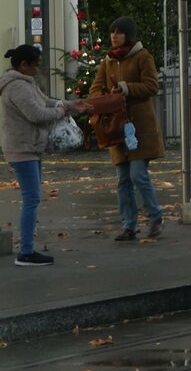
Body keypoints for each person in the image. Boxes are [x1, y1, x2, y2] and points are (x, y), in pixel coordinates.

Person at [1, 44, 90, 266]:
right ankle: (26, 252)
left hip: (29, 147)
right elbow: (37, 114)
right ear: (24, 65)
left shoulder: (26, 83)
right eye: (35, 65)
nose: (38, 69)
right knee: (31, 198)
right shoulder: (17, 87)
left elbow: (47, 101)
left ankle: (27, 249)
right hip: (22, 148)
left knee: (33, 197)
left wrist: (70, 105)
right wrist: (61, 111)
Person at [88, 16, 165, 241]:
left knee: (138, 175)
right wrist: (105, 99)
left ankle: (155, 216)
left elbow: (152, 86)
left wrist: (126, 88)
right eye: (112, 32)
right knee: (123, 179)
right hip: (116, 129)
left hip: (140, 127)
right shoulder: (108, 61)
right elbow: (96, 88)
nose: (114, 36)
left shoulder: (143, 56)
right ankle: (129, 226)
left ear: (128, 35)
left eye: (119, 32)